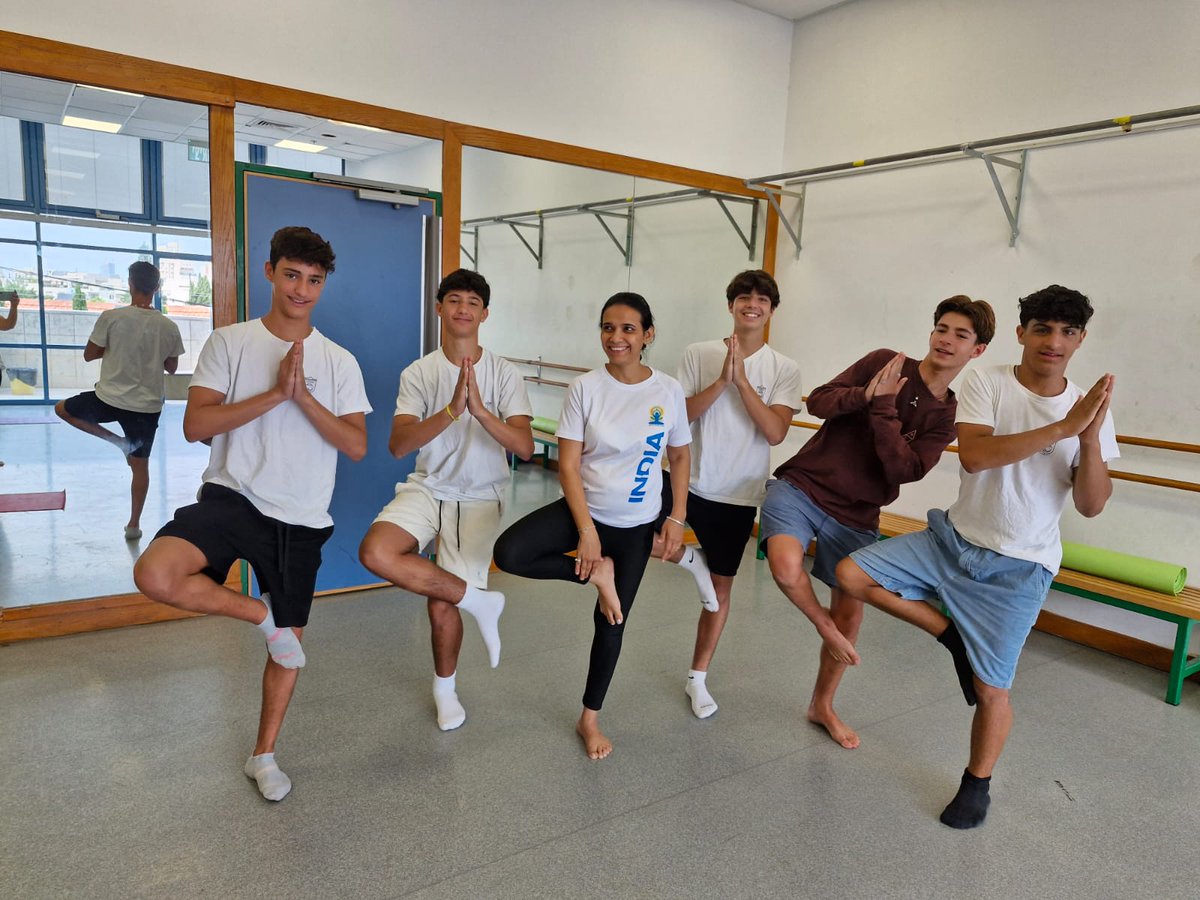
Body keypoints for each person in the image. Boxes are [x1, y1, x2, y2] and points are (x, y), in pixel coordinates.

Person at [836, 285, 1116, 829]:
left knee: (992, 690)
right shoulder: (989, 381)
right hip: (951, 543)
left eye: (1066, 332)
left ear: (1080, 340)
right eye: (1042, 329)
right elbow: (977, 457)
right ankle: (951, 636)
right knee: (850, 573)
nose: (1052, 342)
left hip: (1020, 568)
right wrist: (1063, 427)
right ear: (1021, 334)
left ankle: (977, 784)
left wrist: (1087, 440)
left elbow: (1090, 504)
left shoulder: (1091, 409)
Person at [133, 226, 371, 802]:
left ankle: (263, 755)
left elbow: (357, 445)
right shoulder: (229, 342)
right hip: (232, 496)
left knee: (288, 647)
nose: (302, 289)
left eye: (314, 280)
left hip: (302, 517)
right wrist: (274, 394)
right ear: (270, 272)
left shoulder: (339, 361)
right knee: (155, 574)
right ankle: (258, 617)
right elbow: (196, 426)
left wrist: (306, 397)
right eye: (292, 275)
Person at [762, 295, 994, 749]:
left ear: (977, 350)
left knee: (849, 616)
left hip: (859, 512)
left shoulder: (948, 414)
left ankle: (821, 706)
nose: (946, 340)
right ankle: (822, 626)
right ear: (931, 332)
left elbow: (905, 470)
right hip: (803, 485)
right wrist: (868, 394)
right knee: (786, 568)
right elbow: (820, 403)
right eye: (941, 328)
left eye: (961, 335)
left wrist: (884, 410)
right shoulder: (886, 362)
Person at [493, 292, 691, 760]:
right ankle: (597, 574)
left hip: (638, 525)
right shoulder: (585, 387)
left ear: (647, 335)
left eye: (627, 329)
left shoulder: (667, 390)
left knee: (612, 619)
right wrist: (586, 533)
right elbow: (568, 465)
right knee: (511, 553)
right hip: (586, 511)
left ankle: (590, 717)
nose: (615, 338)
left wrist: (676, 518)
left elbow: (679, 455)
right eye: (608, 327)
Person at [358, 269, 533, 732]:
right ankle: (479, 600)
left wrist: (479, 411)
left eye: (472, 303)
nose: (462, 309)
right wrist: (453, 410)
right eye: (454, 300)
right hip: (428, 486)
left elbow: (525, 447)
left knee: (440, 605)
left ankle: (445, 690)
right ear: (439, 308)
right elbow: (398, 445)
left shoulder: (504, 373)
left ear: (485, 314)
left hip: (479, 497)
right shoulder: (419, 372)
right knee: (375, 551)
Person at [650, 270, 803, 719]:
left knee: (720, 588)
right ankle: (689, 561)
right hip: (685, 479)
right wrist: (720, 381)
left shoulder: (784, 369)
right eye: (743, 297)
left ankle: (697, 678)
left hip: (736, 493)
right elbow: (681, 419)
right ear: (731, 305)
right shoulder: (699, 353)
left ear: (771, 310)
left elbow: (775, 431)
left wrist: (741, 383)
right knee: (639, 538)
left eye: (761, 299)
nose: (751, 304)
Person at [54, 263, 185, 539]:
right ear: (157, 288)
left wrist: (120, 348)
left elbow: (90, 354)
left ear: (130, 284)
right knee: (140, 466)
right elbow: (172, 367)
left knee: (62, 409)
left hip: (108, 398)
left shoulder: (111, 317)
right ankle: (134, 525)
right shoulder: (168, 326)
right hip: (146, 407)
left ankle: (119, 443)